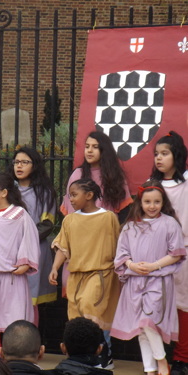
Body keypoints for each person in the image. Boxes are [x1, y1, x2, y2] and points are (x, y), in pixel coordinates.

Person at [111, 181, 185, 375]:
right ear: (140, 202)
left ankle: (161, 362)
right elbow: (122, 254)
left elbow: (176, 253)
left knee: (147, 321)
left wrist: (154, 265)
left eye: (157, 202)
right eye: (148, 202)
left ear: (163, 202)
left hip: (158, 282)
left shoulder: (169, 223)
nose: (152, 206)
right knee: (141, 328)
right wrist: (131, 265)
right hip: (134, 282)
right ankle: (150, 369)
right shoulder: (130, 227)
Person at [50, 178, 121, 369]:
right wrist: (55, 268)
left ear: (89, 196)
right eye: (68, 195)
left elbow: (119, 247)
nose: (70, 199)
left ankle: (104, 354)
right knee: (76, 318)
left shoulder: (108, 217)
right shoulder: (70, 220)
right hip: (76, 277)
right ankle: (82, 357)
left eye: (74, 195)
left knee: (94, 314)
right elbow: (63, 247)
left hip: (100, 274)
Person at [0, 172, 40, 356]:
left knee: (14, 317)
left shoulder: (20, 215)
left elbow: (29, 240)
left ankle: (13, 353)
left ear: (4, 192)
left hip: (13, 277)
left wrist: (26, 263)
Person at [149, 130, 188, 375]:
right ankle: (155, 358)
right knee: (155, 306)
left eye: (165, 153)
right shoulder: (151, 187)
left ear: (177, 155)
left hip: (182, 254)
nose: (159, 158)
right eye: (156, 154)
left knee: (182, 305)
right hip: (154, 256)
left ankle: (182, 359)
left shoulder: (185, 183)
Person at [11, 147, 57, 325]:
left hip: (34, 250)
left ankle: (30, 342)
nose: (19, 166)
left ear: (35, 165)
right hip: (9, 250)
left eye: (25, 162)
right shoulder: (7, 190)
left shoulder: (44, 192)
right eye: (16, 162)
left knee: (31, 301)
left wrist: (24, 241)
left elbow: (47, 224)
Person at [60, 131, 132, 219]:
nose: (89, 150)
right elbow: (70, 207)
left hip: (107, 228)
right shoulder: (77, 174)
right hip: (80, 227)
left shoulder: (115, 175)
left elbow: (123, 210)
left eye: (95, 147)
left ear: (104, 150)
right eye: (87, 146)